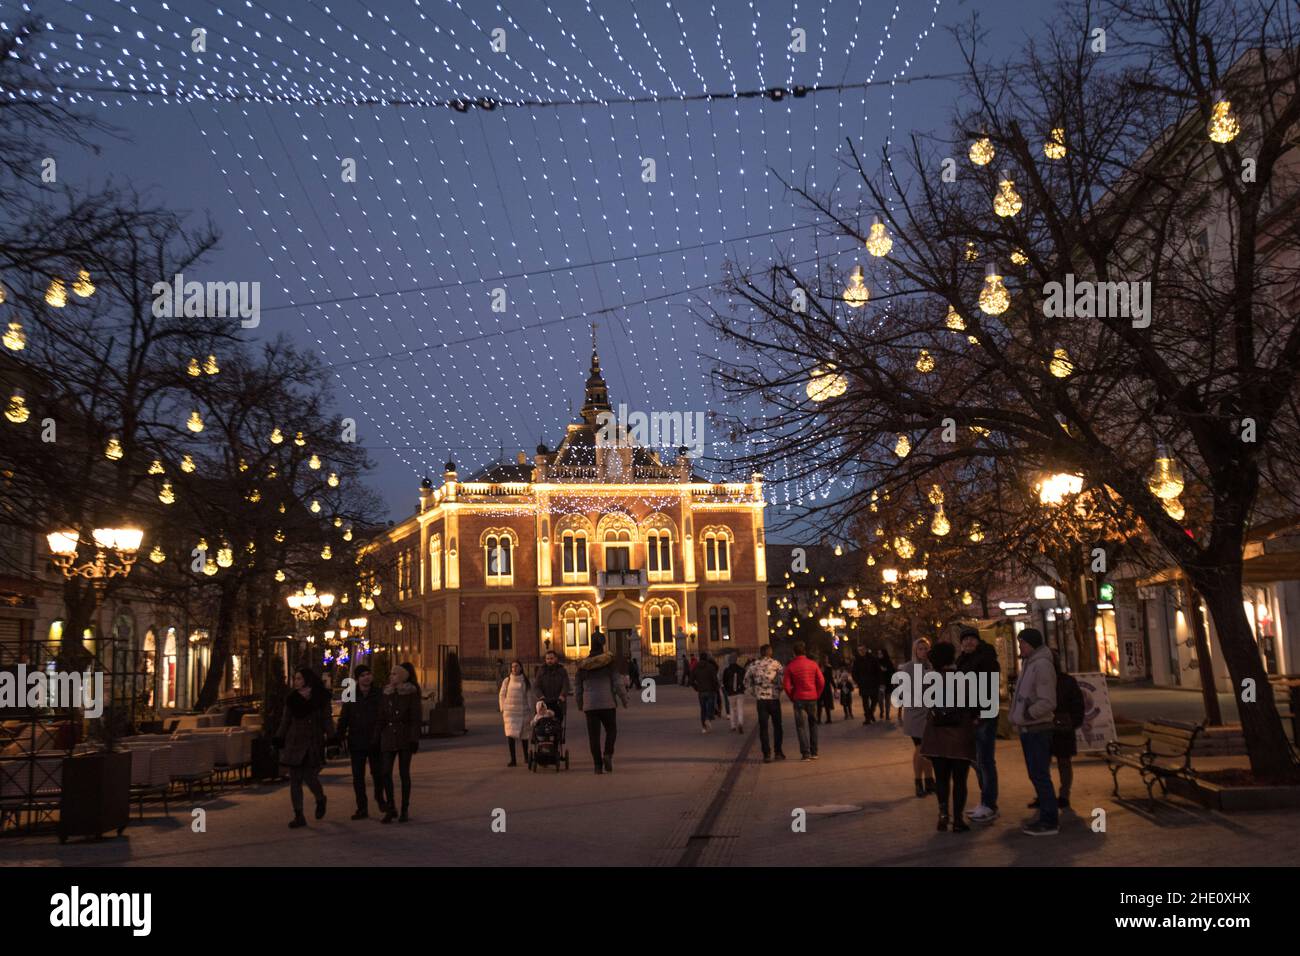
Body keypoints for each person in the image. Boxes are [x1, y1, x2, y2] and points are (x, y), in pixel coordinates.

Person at [920, 642, 978, 832]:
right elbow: (972, 705)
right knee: (960, 780)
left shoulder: (930, 679)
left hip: (937, 736)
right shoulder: (963, 678)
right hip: (959, 735)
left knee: (942, 779)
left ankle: (943, 815)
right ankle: (958, 820)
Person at [1010, 629, 1059, 836]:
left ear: (1030, 644)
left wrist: (1028, 714)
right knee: (1037, 774)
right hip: (1029, 728)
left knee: (1040, 774)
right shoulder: (1030, 664)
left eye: (1022, 643)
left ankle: (1049, 821)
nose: (1020, 647)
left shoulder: (1041, 665)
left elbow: (1048, 701)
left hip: (1038, 728)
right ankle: (1045, 814)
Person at [275, 666, 335, 829]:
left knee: (310, 777)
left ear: (307, 679)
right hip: (294, 742)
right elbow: (285, 720)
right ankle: (299, 814)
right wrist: (279, 737)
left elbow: (327, 720)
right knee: (295, 780)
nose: (296, 682)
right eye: (295, 679)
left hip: (313, 742)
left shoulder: (320, 697)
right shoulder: (292, 699)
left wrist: (332, 738)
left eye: (299, 678)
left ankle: (320, 798)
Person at [956, 626, 1001, 824]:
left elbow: (987, 690)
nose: (968, 643)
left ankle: (989, 804)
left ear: (978, 640)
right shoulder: (963, 660)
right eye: (965, 640)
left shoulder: (986, 659)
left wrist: (979, 714)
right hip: (970, 717)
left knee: (985, 761)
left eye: (971, 639)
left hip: (983, 717)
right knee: (977, 761)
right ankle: (986, 802)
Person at [1033, 650, 1085, 811]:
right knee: (1042, 764)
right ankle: (1045, 795)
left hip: (1062, 727)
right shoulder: (1039, 681)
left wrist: (1073, 722)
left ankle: (1063, 796)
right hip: (1044, 726)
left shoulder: (1066, 681)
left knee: (1062, 762)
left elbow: (1078, 705)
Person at [575, 630, 627, 773]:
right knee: (611, 730)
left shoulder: (583, 666)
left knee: (594, 736)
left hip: (590, 705)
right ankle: (608, 754)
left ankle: (597, 766)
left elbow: (577, 687)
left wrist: (580, 703)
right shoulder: (608, 663)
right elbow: (617, 683)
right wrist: (624, 699)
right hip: (607, 703)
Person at [336, 664, 383, 820]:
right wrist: (339, 737)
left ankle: (379, 797)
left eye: (368, 674)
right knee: (358, 777)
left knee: (378, 773)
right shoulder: (350, 694)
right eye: (362, 675)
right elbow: (344, 718)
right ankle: (362, 807)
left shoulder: (378, 693)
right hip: (356, 741)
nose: (366, 677)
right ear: (357, 679)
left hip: (375, 741)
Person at [377, 661, 421, 823]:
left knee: (404, 774)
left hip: (404, 737)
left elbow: (415, 718)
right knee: (386, 772)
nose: (391, 676)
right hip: (388, 737)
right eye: (391, 674)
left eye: (394, 674)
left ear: (402, 676)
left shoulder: (411, 693)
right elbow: (381, 716)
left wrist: (414, 739)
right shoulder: (386, 692)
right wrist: (377, 737)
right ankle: (391, 808)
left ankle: (404, 809)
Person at [898, 638, 936, 797]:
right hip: (915, 713)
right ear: (915, 651)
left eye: (926, 648)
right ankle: (918, 782)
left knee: (929, 750)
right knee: (920, 748)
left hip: (930, 713)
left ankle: (929, 780)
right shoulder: (908, 667)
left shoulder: (932, 666)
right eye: (920, 648)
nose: (923, 651)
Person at [782, 641, 825, 760]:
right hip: (812, 697)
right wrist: (817, 694)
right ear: (804, 651)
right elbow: (821, 681)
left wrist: (792, 696)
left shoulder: (791, 666)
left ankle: (805, 753)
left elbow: (786, 685)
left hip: (798, 698)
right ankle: (814, 752)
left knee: (800, 726)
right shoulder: (813, 664)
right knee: (813, 724)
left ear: (794, 653)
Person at [745, 645, 786, 762]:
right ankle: (778, 752)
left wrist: (754, 693)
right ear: (770, 652)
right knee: (777, 726)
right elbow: (783, 680)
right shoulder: (776, 664)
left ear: (761, 653)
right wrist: (778, 690)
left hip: (761, 700)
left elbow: (746, 681)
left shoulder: (753, 665)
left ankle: (766, 754)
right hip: (774, 699)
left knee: (763, 727)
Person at [499, 660, 532, 767]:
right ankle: (513, 759)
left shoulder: (525, 681)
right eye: (513, 667)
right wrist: (503, 707)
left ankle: (526, 757)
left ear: (521, 668)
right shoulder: (507, 680)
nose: (514, 668)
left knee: (524, 735)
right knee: (510, 735)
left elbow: (529, 696)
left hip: (522, 711)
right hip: (510, 712)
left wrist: (531, 709)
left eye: (516, 666)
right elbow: (502, 694)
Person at [534, 649, 572, 722]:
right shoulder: (541, 671)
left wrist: (562, 695)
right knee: (543, 723)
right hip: (544, 702)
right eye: (547, 659)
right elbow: (536, 686)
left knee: (557, 723)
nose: (549, 661)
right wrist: (540, 696)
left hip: (558, 701)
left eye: (551, 658)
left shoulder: (562, 670)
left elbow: (566, 684)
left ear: (556, 658)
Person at [691, 650, 721, 732]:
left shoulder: (696, 667)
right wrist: (716, 687)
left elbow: (691, 680)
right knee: (710, 706)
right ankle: (708, 718)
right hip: (710, 690)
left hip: (701, 691)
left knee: (703, 709)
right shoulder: (710, 667)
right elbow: (714, 679)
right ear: (706, 658)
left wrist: (696, 687)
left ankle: (703, 727)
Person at [852, 644, 879, 724]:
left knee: (874, 700)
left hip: (873, 683)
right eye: (859, 650)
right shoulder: (857, 660)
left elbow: (877, 671)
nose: (861, 651)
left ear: (866, 649)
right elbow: (854, 672)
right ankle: (867, 718)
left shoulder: (872, 659)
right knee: (865, 702)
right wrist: (858, 681)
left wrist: (878, 681)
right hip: (863, 684)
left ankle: (870, 713)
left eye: (862, 649)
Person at [722, 653, 747, 733]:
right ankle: (740, 723)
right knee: (740, 708)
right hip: (740, 692)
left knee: (732, 709)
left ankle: (733, 725)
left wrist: (727, 690)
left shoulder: (726, 670)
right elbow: (745, 680)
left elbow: (724, 682)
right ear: (736, 660)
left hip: (730, 693)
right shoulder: (741, 669)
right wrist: (743, 688)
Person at [876, 648, 895, 720]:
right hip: (880, 683)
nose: (879, 655)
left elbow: (893, 671)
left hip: (888, 683)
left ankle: (887, 714)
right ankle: (881, 711)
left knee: (887, 700)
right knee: (880, 699)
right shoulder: (876, 662)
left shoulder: (888, 662)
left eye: (880, 653)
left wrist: (886, 670)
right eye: (878, 653)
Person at [816, 655, 836, 724]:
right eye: (825, 659)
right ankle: (818, 719)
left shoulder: (829, 667)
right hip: (819, 688)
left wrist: (834, 686)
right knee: (819, 704)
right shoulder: (817, 667)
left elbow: (830, 678)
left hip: (826, 688)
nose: (826, 660)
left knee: (827, 704)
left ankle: (829, 719)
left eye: (827, 659)